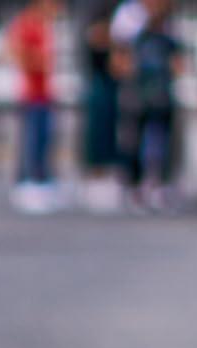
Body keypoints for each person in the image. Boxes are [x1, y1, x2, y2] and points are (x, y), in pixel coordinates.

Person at [124, 0, 183, 210]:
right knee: (147, 143)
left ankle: (153, 186)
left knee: (156, 143)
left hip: (155, 99)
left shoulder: (154, 41)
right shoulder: (147, 40)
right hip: (148, 99)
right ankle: (146, 186)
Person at [7, 0, 64, 212]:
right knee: (31, 139)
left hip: (45, 92)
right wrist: (38, 61)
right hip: (30, 92)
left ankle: (42, 181)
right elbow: (17, 52)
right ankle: (27, 183)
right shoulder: (25, 24)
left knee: (44, 139)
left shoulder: (45, 26)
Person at [82, 2, 125, 210]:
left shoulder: (110, 39)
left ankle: (105, 178)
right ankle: (96, 179)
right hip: (100, 92)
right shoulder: (98, 38)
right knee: (98, 137)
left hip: (108, 93)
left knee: (109, 136)